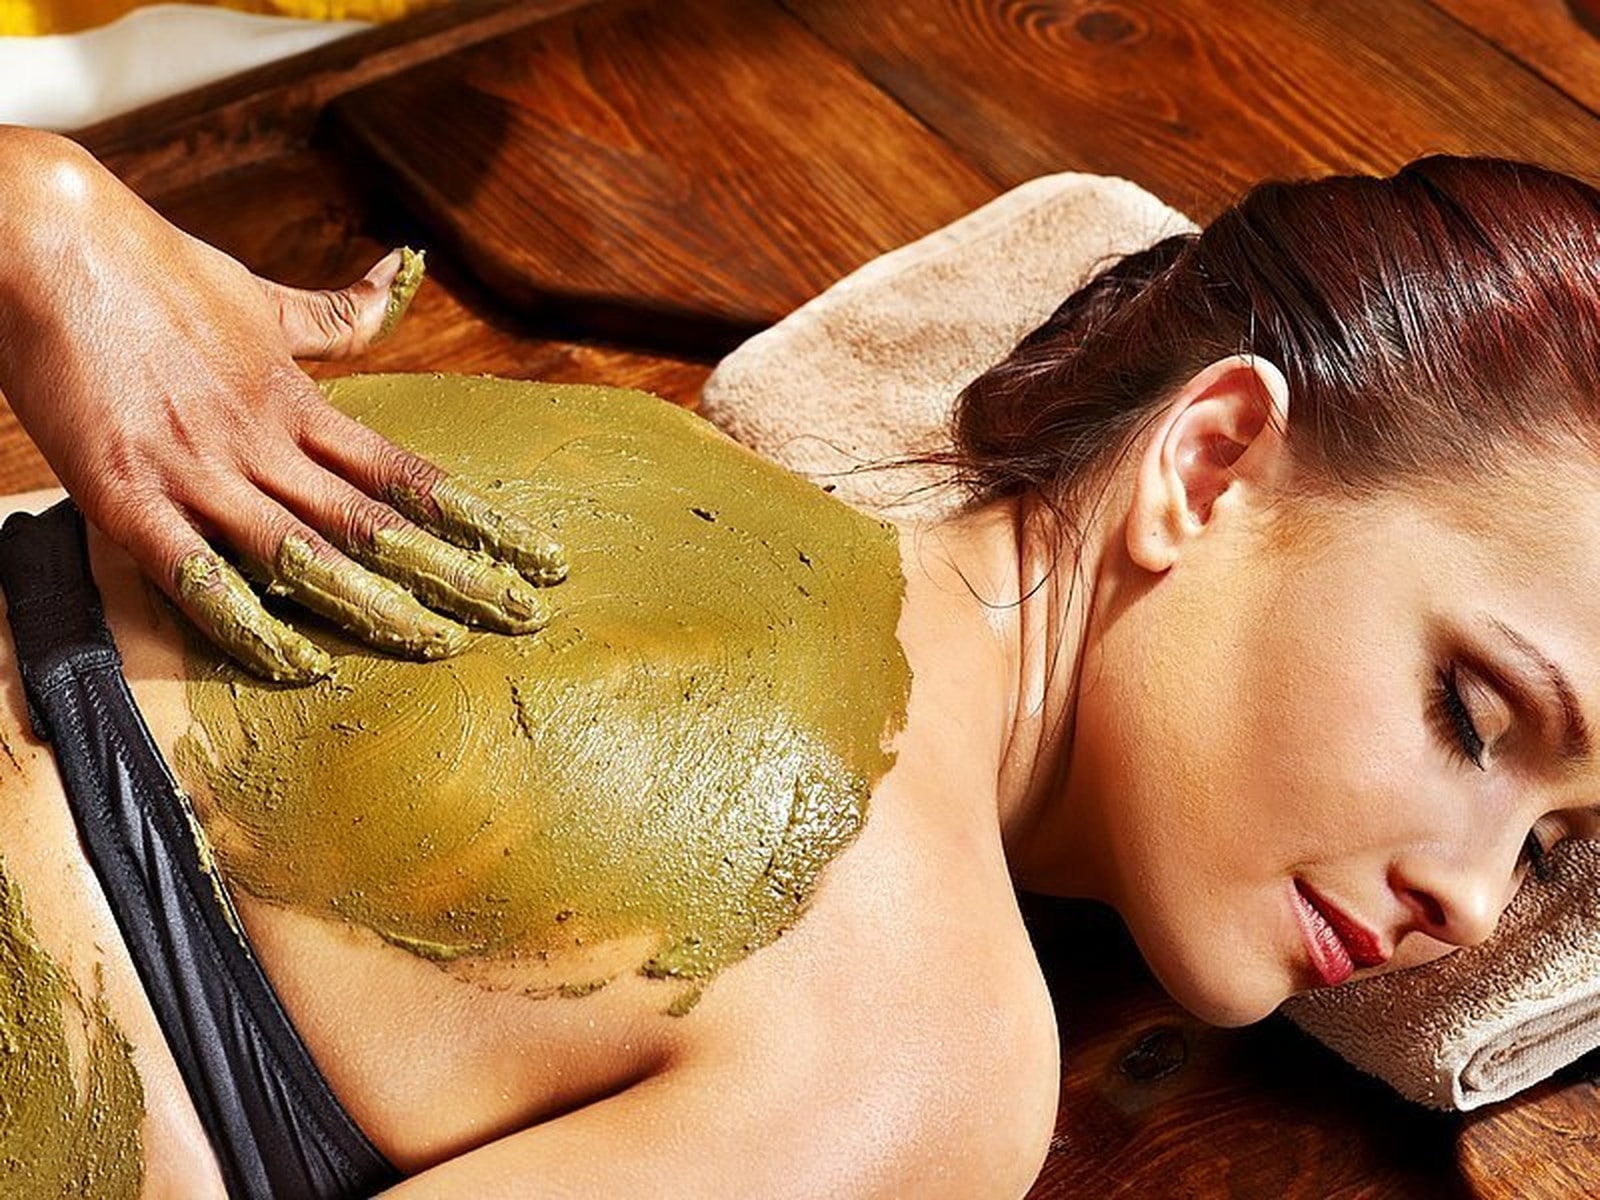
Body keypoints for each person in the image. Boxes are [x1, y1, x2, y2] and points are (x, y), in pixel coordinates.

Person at [2, 124, 1598, 1198]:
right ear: (1210, 460)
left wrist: (43, 214)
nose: (1469, 907)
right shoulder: (937, 1053)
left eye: (1551, 854)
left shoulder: (596, 457)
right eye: (1470, 713)